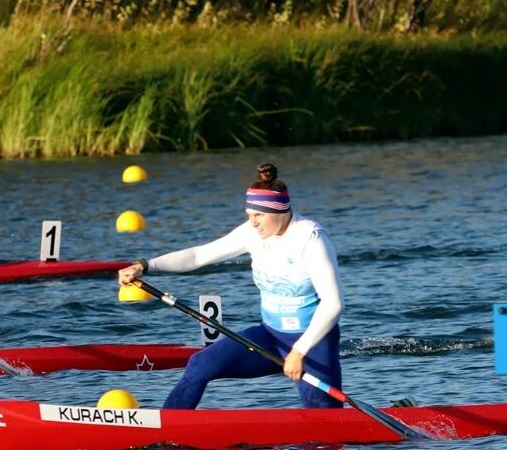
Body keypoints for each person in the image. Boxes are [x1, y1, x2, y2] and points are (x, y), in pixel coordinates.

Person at [118, 163, 344, 410]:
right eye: (249, 216)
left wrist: (299, 351)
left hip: (313, 344)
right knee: (200, 365)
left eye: (258, 215)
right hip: (269, 337)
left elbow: (333, 304)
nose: (253, 223)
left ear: (279, 211)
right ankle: (166, 427)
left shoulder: (310, 238)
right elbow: (198, 256)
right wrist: (145, 265)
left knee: (323, 426)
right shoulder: (251, 233)